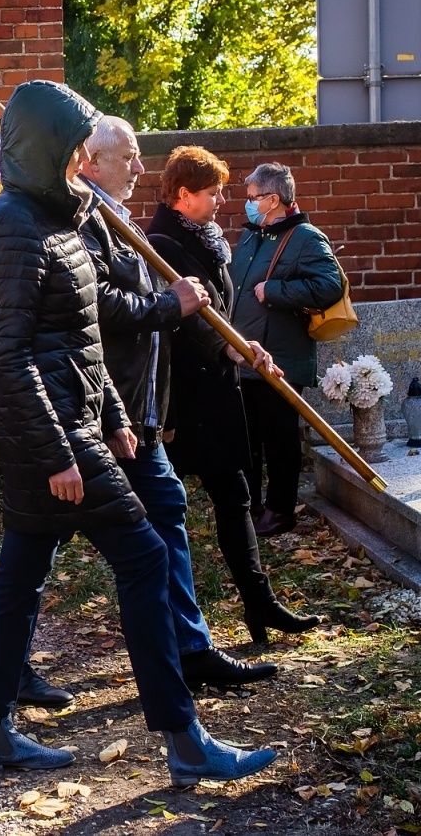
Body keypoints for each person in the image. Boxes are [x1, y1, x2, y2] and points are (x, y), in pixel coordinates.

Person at [0, 80, 275, 784]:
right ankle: (184, 739)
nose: (86, 152)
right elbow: (8, 355)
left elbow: (82, 340)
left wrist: (113, 416)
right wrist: (59, 451)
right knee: (143, 558)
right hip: (48, 438)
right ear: (49, 144)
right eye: (77, 140)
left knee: (21, 575)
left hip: (75, 426)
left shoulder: (54, 218)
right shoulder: (14, 222)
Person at [77, 118, 278, 690]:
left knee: (162, 510)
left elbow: (188, 313)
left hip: (134, 407)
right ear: (92, 161)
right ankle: (175, 664)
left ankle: (189, 651)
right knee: (44, 538)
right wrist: (170, 305)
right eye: (131, 157)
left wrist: (235, 347)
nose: (142, 168)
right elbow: (108, 308)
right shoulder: (87, 218)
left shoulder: (113, 217)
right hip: (107, 405)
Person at [147, 146, 322, 647]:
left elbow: (220, 310)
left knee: (235, 495)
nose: (223, 201)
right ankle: (171, 626)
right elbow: (178, 320)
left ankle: (259, 604)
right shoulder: (161, 243)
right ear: (184, 196)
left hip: (217, 389)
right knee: (163, 506)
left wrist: (244, 345)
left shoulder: (206, 238)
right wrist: (227, 346)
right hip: (180, 395)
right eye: (213, 192)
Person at [228, 163, 344, 536]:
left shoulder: (306, 237)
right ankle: (251, 508)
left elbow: (330, 286)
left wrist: (275, 291)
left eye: (252, 198)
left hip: (281, 358)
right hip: (246, 356)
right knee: (247, 440)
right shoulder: (251, 236)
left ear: (272, 199)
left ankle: (279, 510)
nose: (247, 205)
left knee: (279, 438)